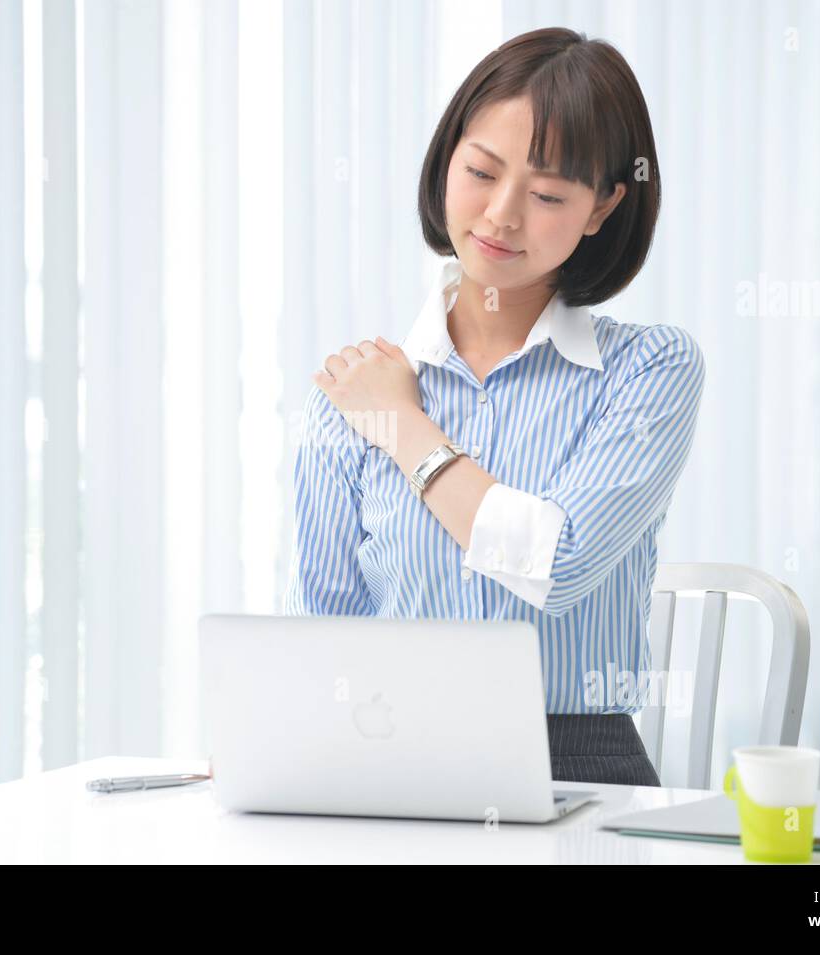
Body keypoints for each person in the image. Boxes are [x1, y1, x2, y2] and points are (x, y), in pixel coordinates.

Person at [283, 27, 705, 787]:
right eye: (481, 171)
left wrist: (403, 424)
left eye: (547, 194)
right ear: (448, 159)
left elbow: (557, 560)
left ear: (604, 205)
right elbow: (321, 628)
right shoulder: (349, 397)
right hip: (384, 755)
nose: (501, 215)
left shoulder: (648, 369)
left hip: (575, 763)